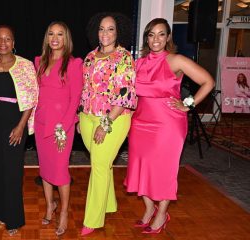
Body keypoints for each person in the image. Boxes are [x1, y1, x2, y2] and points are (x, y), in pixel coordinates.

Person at [124, 18, 215, 234]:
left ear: (168, 38)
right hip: (140, 123)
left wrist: (187, 105)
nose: (156, 39)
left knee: (164, 171)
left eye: (161, 34)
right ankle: (149, 209)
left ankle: (162, 213)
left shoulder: (176, 60)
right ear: (146, 38)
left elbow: (208, 81)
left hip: (168, 125)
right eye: (151, 34)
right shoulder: (139, 63)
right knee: (139, 168)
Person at [79, 12, 137, 236]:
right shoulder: (90, 56)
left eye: (110, 29)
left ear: (118, 31)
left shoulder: (124, 58)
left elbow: (124, 97)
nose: (105, 33)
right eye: (102, 28)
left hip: (113, 118)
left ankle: (92, 219)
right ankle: (109, 204)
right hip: (87, 117)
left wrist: (105, 124)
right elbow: (86, 90)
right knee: (102, 163)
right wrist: (81, 116)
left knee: (99, 166)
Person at [0, 25, 38, 236]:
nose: (3, 42)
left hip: (15, 123)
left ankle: (14, 219)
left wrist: (21, 125)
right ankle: (0, 213)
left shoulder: (25, 65)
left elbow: (32, 97)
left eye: (7, 39)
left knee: (13, 172)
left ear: (13, 43)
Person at [34, 21, 83, 236]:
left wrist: (63, 126)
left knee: (61, 172)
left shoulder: (73, 64)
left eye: (60, 34)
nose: (55, 38)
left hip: (62, 126)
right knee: (45, 169)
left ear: (66, 38)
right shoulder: (39, 62)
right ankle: (49, 206)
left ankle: (63, 212)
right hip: (41, 123)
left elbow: (75, 99)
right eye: (51, 33)